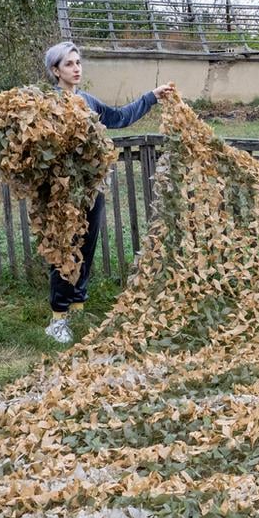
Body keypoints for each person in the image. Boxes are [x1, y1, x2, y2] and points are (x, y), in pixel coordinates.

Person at [42, 40, 174, 343]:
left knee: (86, 247)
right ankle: (57, 319)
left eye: (78, 63)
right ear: (55, 70)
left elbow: (118, 117)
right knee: (65, 250)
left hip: (91, 189)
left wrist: (150, 97)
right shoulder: (46, 105)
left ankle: (77, 306)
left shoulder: (87, 101)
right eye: (69, 64)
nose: (76, 69)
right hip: (61, 193)